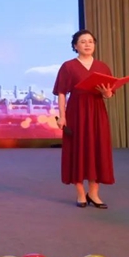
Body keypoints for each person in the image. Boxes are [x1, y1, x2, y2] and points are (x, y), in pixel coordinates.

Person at [53, 29, 114, 209]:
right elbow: (62, 92)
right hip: (76, 112)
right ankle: (80, 193)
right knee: (77, 149)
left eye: (90, 41)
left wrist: (107, 93)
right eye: (83, 41)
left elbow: (109, 93)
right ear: (75, 46)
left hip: (97, 112)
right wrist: (62, 116)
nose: (87, 44)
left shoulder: (102, 67)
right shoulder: (68, 66)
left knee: (98, 149)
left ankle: (94, 193)